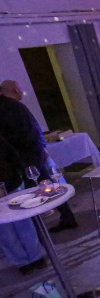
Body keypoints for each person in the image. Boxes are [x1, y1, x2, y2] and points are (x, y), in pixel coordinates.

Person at [0, 80, 77, 233]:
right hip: (33, 154)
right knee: (47, 185)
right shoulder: (16, 106)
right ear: (15, 90)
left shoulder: (6, 108)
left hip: (23, 159)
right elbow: (34, 129)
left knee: (28, 196)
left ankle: (39, 233)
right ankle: (67, 218)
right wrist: (41, 148)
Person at [0, 132, 47, 275]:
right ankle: (21, 261)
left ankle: (36, 256)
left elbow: (12, 155)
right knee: (5, 231)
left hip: (11, 183)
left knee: (24, 223)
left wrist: (18, 175)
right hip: (10, 182)